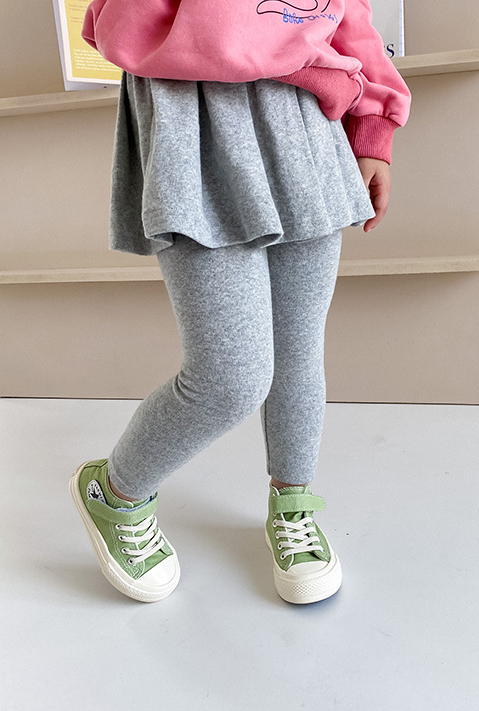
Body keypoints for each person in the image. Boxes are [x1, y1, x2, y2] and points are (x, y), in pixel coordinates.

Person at [68, 0, 411, 605]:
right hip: (192, 124)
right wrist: (279, 47)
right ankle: (114, 491)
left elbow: (349, 15)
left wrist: (372, 128)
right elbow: (120, 27)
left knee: (298, 349)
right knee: (229, 378)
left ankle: (293, 502)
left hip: (304, 127)